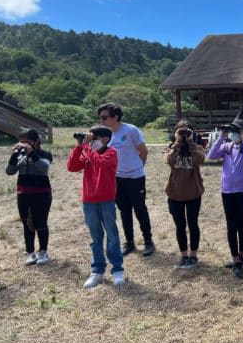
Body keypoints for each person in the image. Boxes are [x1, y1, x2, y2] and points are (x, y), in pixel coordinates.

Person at [67, 126, 124, 288]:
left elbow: (99, 163)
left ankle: (117, 269)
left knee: (112, 235)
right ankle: (97, 271)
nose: (90, 141)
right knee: (95, 237)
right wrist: (79, 146)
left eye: (94, 138)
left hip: (106, 199)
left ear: (105, 139)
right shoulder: (88, 152)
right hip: (89, 200)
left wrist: (86, 147)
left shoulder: (111, 152)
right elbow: (72, 167)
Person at [98, 103, 155, 256]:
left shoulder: (131, 130)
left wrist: (137, 167)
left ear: (115, 117)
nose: (102, 121)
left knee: (140, 209)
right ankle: (129, 242)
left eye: (104, 117)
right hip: (117, 179)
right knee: (124, 211)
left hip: (135, 178)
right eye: (100, 118)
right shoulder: (107, 134)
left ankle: (148, 241)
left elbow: (144, 151)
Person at [207, 119, 243, 279]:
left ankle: (242, 254)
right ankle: (235, 260)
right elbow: (211, 155)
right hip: (227, 191)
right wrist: (222, 136)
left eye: (236, 131)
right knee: (231, 225)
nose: (233, 134)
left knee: (242, 223)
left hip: (242, 191)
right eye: (232, 131)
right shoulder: (227, 146)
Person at [6, 129, 53, 266]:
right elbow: (9, 171)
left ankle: (43, 251)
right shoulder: (20, 155)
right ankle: (30, 252)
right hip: (23, 194)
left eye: (26, 142)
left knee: (41, 222)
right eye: (21, 142)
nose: (23, 145)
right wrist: (14, 156)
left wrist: (32, 153)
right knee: (26, 223)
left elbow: (44, 169)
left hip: (42, 194)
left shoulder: (45, 154)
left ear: (36, 141)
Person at [164, 120, 205, 270]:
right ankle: (184, 255)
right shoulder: (171, 148)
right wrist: (177, 142)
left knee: (193, 224)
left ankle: (193, 255)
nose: (184, 134)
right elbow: (170, 161)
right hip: (175, 193)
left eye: (187, 131)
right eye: (180, 131)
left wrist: (191, 143)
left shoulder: (197, 148)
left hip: (193, 192)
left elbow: (199, 160)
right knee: (179, 226)